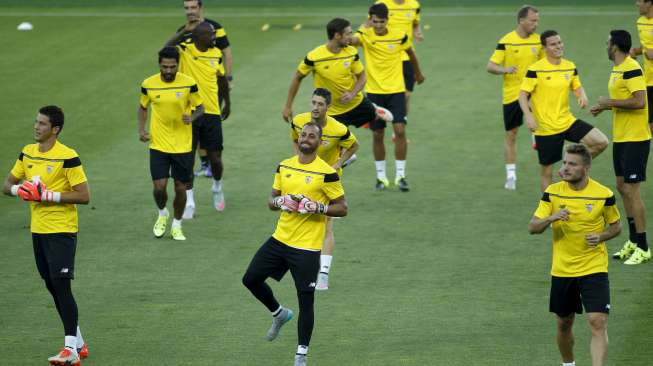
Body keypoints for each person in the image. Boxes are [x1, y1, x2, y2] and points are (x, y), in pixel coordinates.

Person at [242, 123, 348, 366]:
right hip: (280, 239)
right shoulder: (284, 165)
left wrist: (319, 207)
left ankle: (301, 354)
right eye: (303, 134)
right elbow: (270, 200)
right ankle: (279, 314)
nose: (306, 138)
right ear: (298, 138)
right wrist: (281, 201)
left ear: (320, 142)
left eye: (312, 136)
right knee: (250, 279)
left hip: (307, 248)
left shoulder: (327, 173)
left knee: (306, 299)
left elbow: (343, 207)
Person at [3, 105, 90, 366]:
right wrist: (22, 190)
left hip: (62, 230)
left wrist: (47, 196)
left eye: (42, 124)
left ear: (55, 129)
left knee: (62, 285)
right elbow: (6, 185)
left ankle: (69, 351)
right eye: (36, 122)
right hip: (38, 230)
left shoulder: (68, 156)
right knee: (52, 285)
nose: (36, 127)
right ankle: (78, 341)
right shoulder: (27, 153)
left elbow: (84, 195)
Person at [528, 143, 621, 366]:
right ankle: (568, 364)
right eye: (565, 163)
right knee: (563, 323)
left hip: (594, 266)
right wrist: (553, 217)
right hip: (563, 269)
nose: (566, 168)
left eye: (572, 164)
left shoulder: (603, 195)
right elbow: (533, 227)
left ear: (585, 169)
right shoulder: (553, 192)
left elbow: (616, 226)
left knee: (597, 321)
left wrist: (601, 237)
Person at [282, 17, 392, 164]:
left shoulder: (351, 52)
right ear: (337, 35)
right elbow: (297, 77)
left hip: (356, 103)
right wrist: (288, 105)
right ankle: (343, 158)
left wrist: (352, 93)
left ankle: (373, 109)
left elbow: (362, 77)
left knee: (378, 126)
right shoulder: (315, 57)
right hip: (333, 112)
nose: (351, 37)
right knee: (328, 145)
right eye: (348, 34)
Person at [590, 30, 652, 265]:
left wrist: (610, 102)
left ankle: (644, 246)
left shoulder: (632, 67)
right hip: (622, 137)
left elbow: (640, 101)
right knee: (622, 187)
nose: (605, 45)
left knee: (632, 190)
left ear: (615, 46)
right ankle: (634, 241)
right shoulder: (617, 69)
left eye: (607, 42)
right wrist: (604, 107)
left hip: (636, 139)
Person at [519, 30, 608, 192]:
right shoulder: (535, 69)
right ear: (545, 48)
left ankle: (567, 167)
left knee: (601, 142)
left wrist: (582, 95)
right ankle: (548, 209)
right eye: (553, 44)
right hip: (546, 128)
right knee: (546, 173)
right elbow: (522, 95)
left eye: (559, 42)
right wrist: (529, 116)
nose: (558, 46)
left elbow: (576, 85)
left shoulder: (570, 66)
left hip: (567, 121)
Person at [351, 3, 425, 191]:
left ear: (387, 20)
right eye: (375, 21)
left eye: (381, 22)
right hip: (375, 92)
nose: (378, 26)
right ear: (370, 19)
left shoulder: (399, 35)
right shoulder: (365, 35)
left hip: (396, 91)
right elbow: (351, 41)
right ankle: (381, 177)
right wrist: (364, 25)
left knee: (400, 130)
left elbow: (410, 53)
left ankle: (400, 176)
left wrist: (418, 73)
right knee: (378, 133)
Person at [290, 88, 359, 290]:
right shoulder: (299, 121)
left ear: (328, 107)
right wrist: (297, 159)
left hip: (327, 182)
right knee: (302, 223)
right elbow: (295, 137)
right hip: (304, 178)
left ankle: (323, 274)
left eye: (320, 104)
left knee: (326, 226)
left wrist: (338, 164)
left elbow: (354, 145)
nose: (315, 108)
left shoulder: (338, 129)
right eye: (313, 103)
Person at [138, 46, 203, 241]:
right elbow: (142, 107)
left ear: (178, 65)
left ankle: (176, 224)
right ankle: (162, 213)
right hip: (158, 145)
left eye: (172, 67)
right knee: (159, 188)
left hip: (183, 146)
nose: (168, 71)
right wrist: (141, 129)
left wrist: (192, 117)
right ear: (159, 64)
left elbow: (201, 107)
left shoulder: (188, 84)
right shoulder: (148, 84)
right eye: (164, 67)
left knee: (181, 188)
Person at [167, 21, 230, 217]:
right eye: (210, 35)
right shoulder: (185, 51)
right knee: (188, 159)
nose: (214, 38)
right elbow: (165, 49)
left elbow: (221, 80)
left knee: (216, 159)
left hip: (211, 113)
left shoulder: (216, 54)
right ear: (199, 37)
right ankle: (190, 201)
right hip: (190, 114)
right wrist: (184, 31)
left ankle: (217, 187)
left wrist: (228, 102)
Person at [487, 5, 542, 190]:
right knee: (511, 134)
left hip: (534, 94)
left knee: (543, 126)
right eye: (533, 21)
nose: (536, 24)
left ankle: (537, 138)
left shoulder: (538, 41)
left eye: (537, 21)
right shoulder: (506, 41)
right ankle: (511, 175)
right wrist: (505, 69)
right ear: (521, 21)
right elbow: (491, 66)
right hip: (512, 95)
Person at [177, 0, 233, 177]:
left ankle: (211, 167)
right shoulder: (183, 34)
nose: (190, 11)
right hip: (191, 100)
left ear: (200, 8)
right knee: (194, 140)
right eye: (186, 8)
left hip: (212, 90)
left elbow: (226, 51)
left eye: (193, 7)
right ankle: (204, 164)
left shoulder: (215, 27)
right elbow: (168, 51)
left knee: (211, 134)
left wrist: (228, 77)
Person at [375, 0, 424, 116]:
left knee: (406, 95)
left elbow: (415, 23)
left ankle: (397, 128)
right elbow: (370, 24)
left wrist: (418, 32)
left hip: (407, 56)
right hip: (387, 57)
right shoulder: (381, 4)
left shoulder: (414, 5)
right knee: (383, 94)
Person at [632, 0, 653, 133]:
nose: (636, 4)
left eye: (639, 1)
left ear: (649, 3)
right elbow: (646, 48)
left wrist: (646, 52)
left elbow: (650, 53)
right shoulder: (640, 21)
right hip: (649, 80)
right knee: (650, 124)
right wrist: (635, 51)